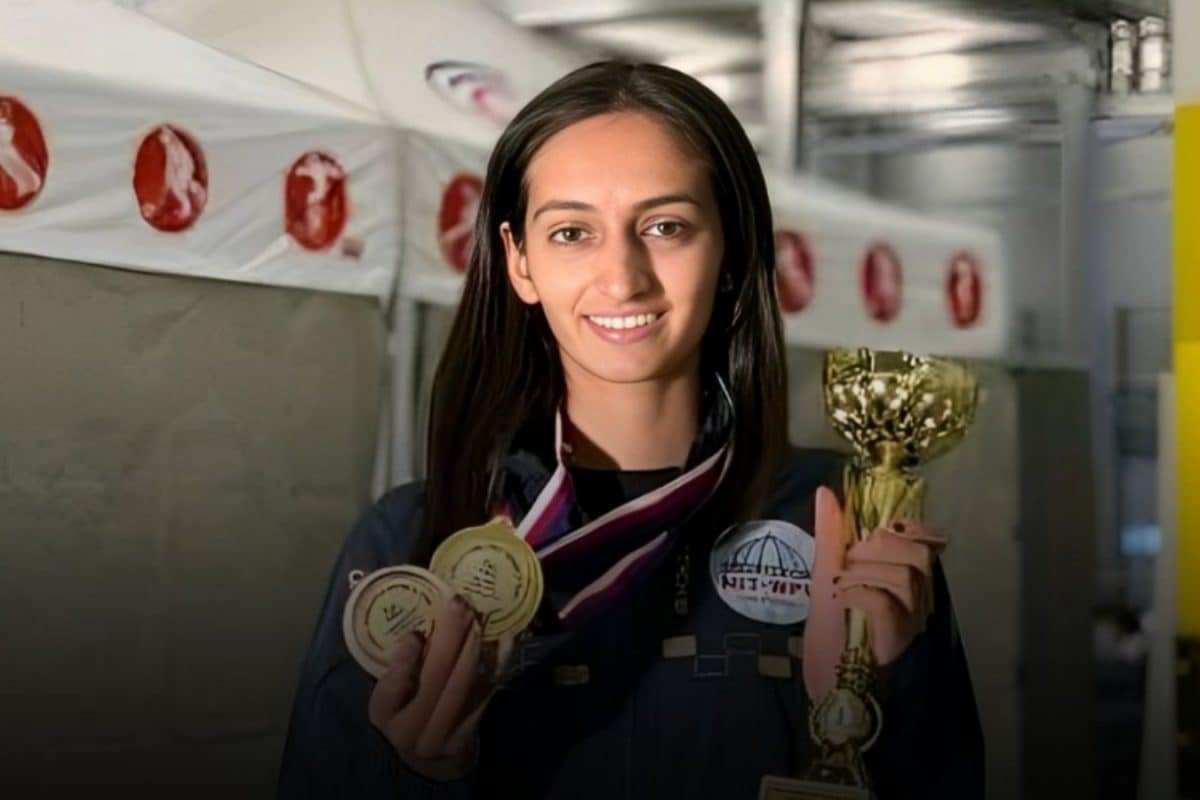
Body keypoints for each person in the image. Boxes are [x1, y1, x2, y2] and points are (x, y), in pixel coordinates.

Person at [278, 61, 983, 799]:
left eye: (666, 226)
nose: (623, 277)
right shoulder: (411, 540)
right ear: (520, 261)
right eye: (573, 232)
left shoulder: (839, 521)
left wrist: (887, 695)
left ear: (733, 249)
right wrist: (421, 778)